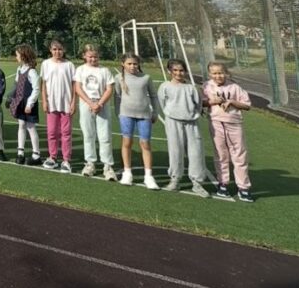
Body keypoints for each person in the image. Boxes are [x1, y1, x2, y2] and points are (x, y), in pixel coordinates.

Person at [203, 62, 255, 202]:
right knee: (221, 154)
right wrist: (212, 101)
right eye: (214, 73)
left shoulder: (235, 87)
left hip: (234, 123)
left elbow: (247, 105)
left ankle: (243, 187)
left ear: (225, 73)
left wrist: (232, 102)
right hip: (216, 123)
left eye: (220, 73)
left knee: (239, 155)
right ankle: (223, 183)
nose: (218, 76)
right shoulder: (207, 86)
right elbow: (202, 103)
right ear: (210, 74)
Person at [158, 59, 210, 197]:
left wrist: (192, 115)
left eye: (181, 70)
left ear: (185, 71)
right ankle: (175, 179)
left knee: (196, 152)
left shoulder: (191, 88)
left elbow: (198, 105)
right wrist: (171, 114)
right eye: (175, 70)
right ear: (169, 71)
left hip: (191, 123)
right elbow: (163, 103)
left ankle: (197, 183)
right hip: (173, 122)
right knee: (175, 151)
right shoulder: (165, 86)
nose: (178, 73)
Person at [115, 53, 161, 190]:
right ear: (123, 64)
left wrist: (155, 112)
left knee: (145, 143)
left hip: (144, 115)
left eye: (135, 63)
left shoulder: (146, 78)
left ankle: (149, 176)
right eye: (129, 63)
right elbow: (117, 96)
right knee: (127, 142)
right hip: (126, 115)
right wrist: (118, 113)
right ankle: (127, 173)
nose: (132, 66)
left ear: (139, 64)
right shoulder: (119, 78)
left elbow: (153, 96)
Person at [73, 44, 117, 181]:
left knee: (105, 136)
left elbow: (109, 89)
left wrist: (99, 103)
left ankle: (107, 166)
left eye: (96, 56)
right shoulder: (80, 69)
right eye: (90, 56)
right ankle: (90, 163)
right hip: (86, 104)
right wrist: (90, 103)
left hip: (102, 105)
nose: (93, 59)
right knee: (88, 135)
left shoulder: (105, 70)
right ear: (84, 56)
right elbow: (78, 88)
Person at [40, 41, 75, 173]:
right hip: (51, 104)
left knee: (66, 133)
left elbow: (74, 85)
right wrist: (44, 101)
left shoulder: (69, 65)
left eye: (60, 49)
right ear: (50, 50)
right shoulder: (46, 64)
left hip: (66, 104)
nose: (57, 52)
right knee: (52, 132)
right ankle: (52, 157)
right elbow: (44, 84)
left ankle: (66, 160)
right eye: (54, 49)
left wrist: (73, 102)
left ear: (64, 50)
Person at [7, 44, 42, 166]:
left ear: (23, 56)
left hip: (28, 104)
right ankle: (20, 152)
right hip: (20, 102)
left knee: (31, 127)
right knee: (21, 125)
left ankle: (36, 154)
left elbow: (36, 89)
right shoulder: (19, 69)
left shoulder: (31, 71)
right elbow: (16, 85)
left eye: (17, 55)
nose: (16, 57)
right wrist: (10, 98)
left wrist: (30, 104)